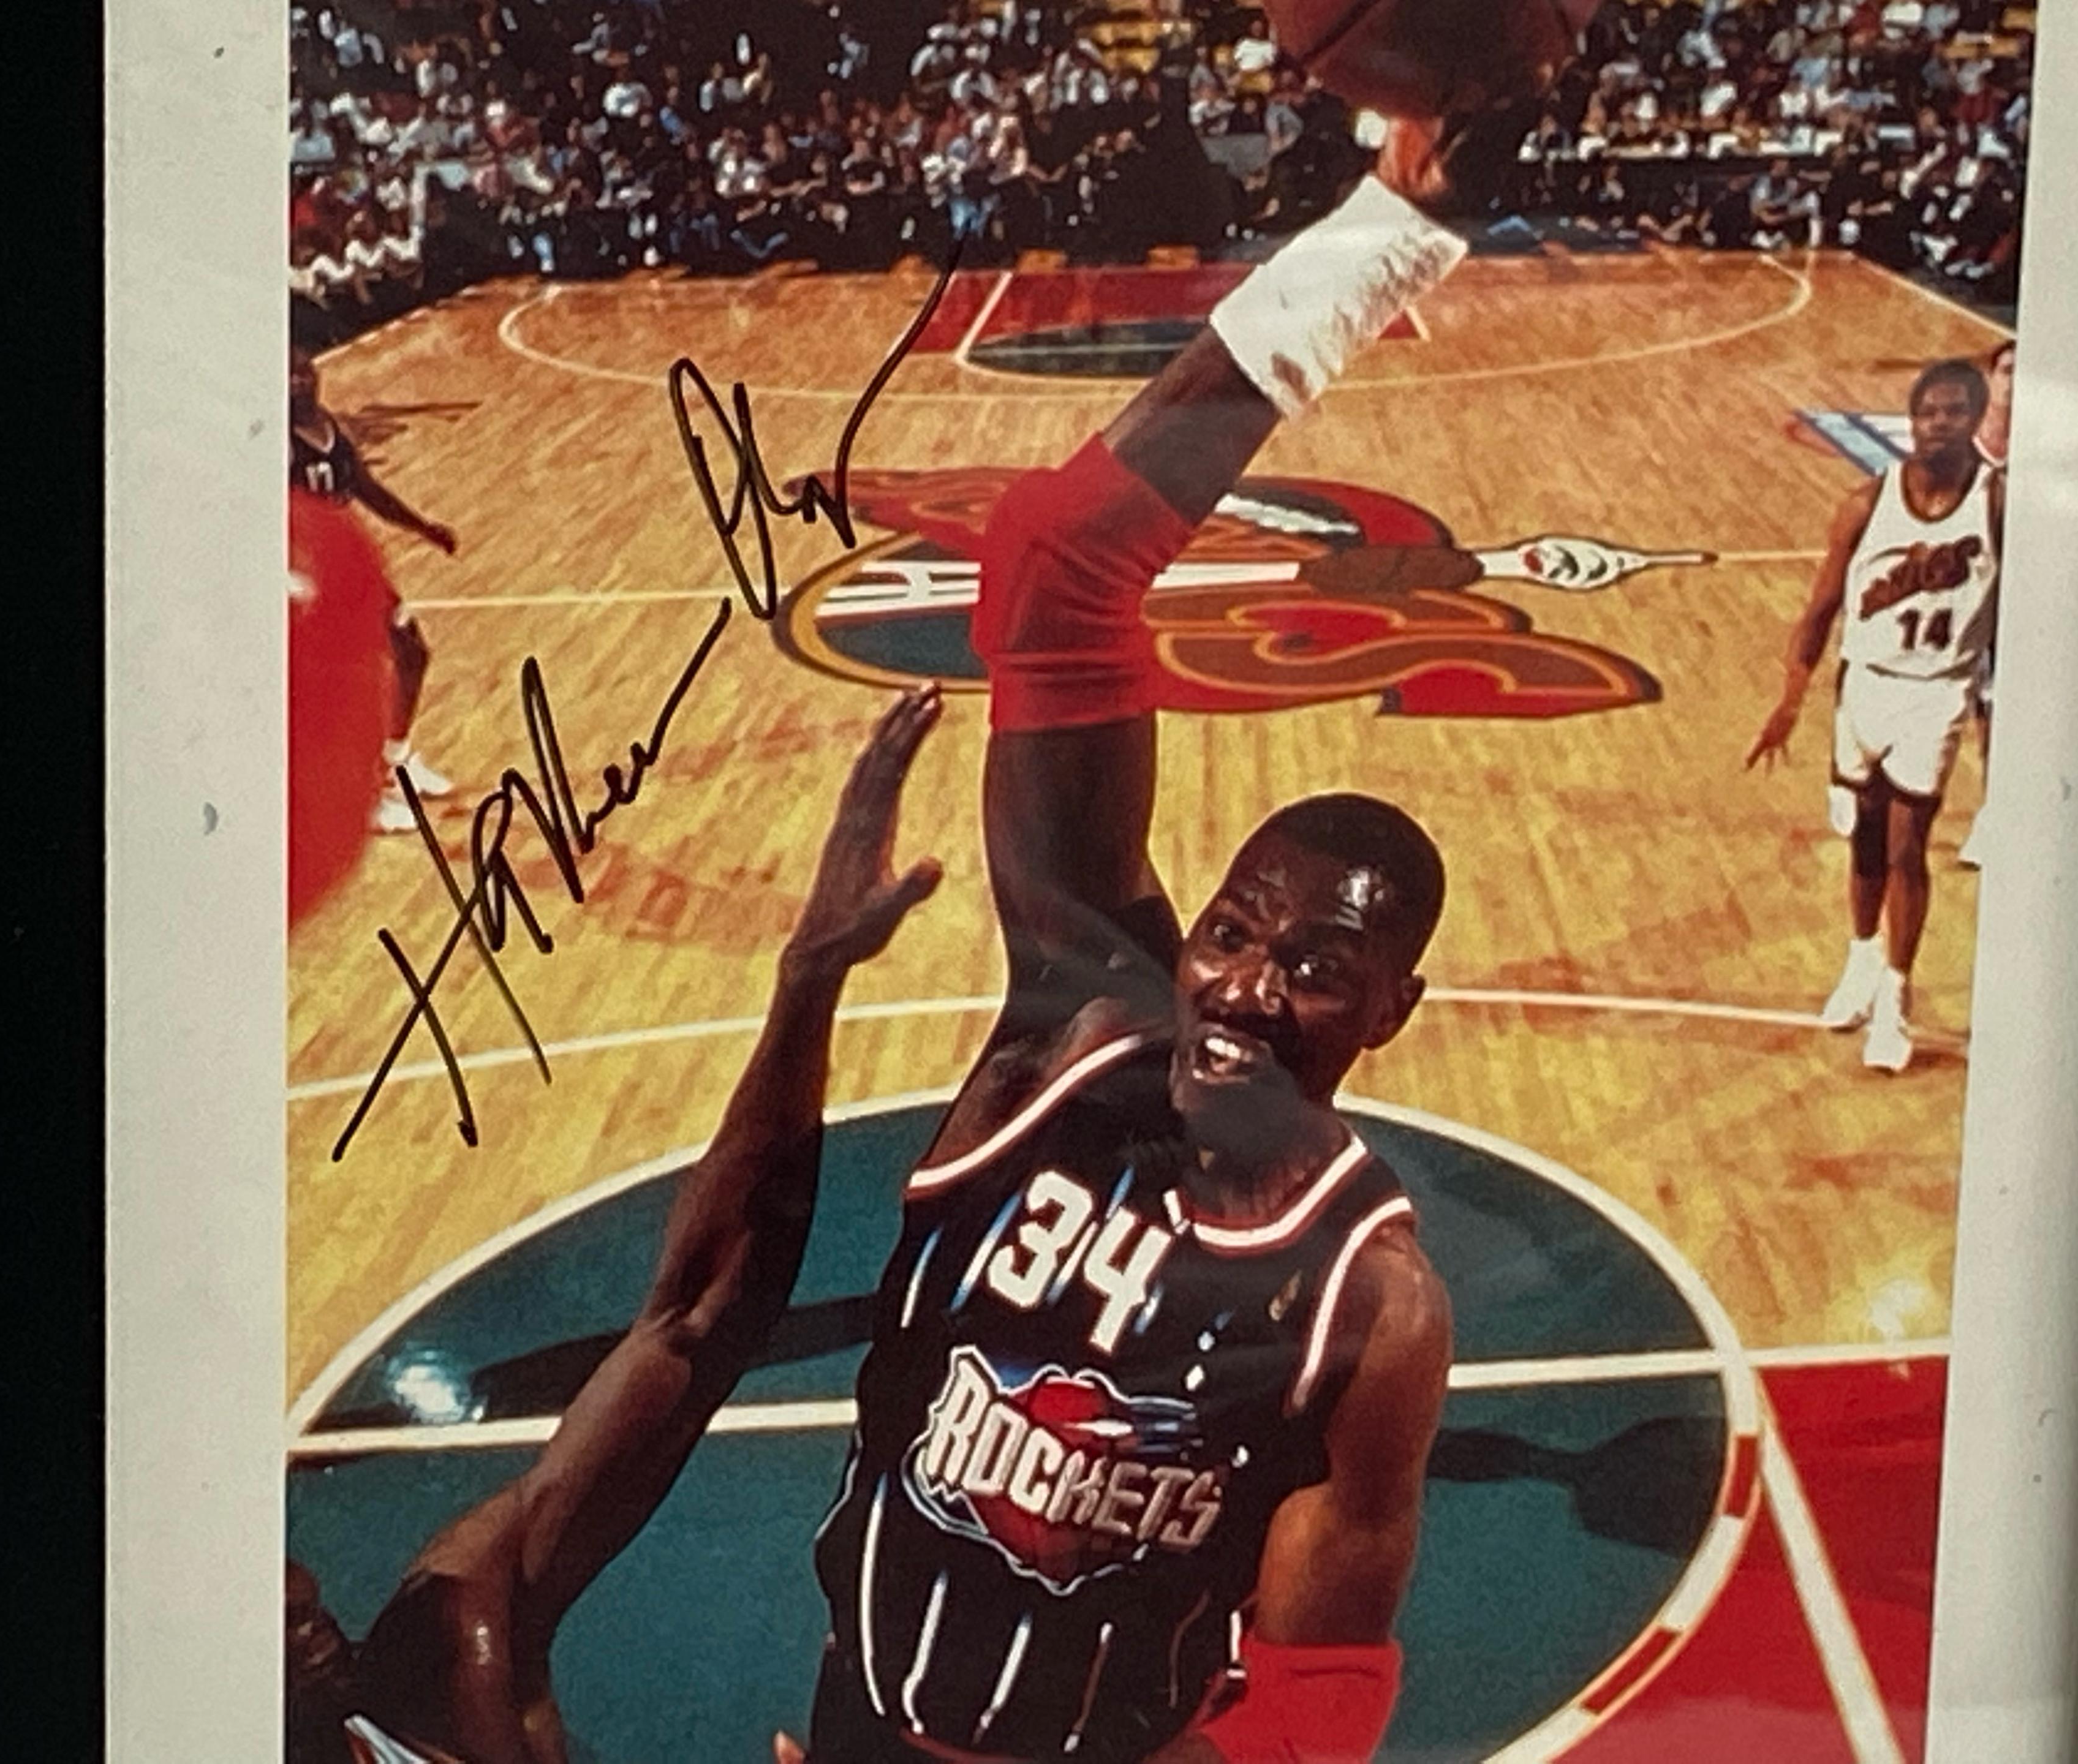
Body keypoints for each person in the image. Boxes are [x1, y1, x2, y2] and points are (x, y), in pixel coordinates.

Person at [791, 135, 1476, 1764]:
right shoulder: (1084, 1040)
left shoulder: (1372, 1306)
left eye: (1315, 968)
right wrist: (1386, 235)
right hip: (856, 1721)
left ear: (1396, 1011)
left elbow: (1308, 1704)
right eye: (1232, 935)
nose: (1244, 983)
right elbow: (1058, 567)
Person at [286, 688, 949, 1764]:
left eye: (281, 1582)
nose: (301, 1602)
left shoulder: (448, 1659)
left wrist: (806, 986)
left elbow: (696, 1317)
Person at [1747, 358, 2003, 1072]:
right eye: (1928, 412)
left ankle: (1896, 998)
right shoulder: (1866, 503)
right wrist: (1790, 701)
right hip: (1865, 685)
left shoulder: (1996, 503)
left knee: (1905, 847)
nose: (1939, 423)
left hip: (1938, 690)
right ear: (1912, 420)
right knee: (1863, 841)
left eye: (1955, 411)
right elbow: (1820, 610)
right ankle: (1861, 961)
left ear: (1977, 419)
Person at [290, 341, 461, 832]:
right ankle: (361, 796)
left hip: (345, 567)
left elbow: (366, 487)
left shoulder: (328, 429)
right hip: (306, 576)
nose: (300, 381)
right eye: (289, 376)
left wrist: (423, 527)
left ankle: (397, 759)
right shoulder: (273, 444)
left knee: (412, 653)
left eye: (305, 371)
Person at [1959, 336, 2014, 868]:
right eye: (2007, 372)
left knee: (1995, 712)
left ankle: (1994, 814)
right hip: (1957, 598)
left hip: (2012, 600)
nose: (2015, 383)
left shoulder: (2038, 454)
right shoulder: (1958, 449)